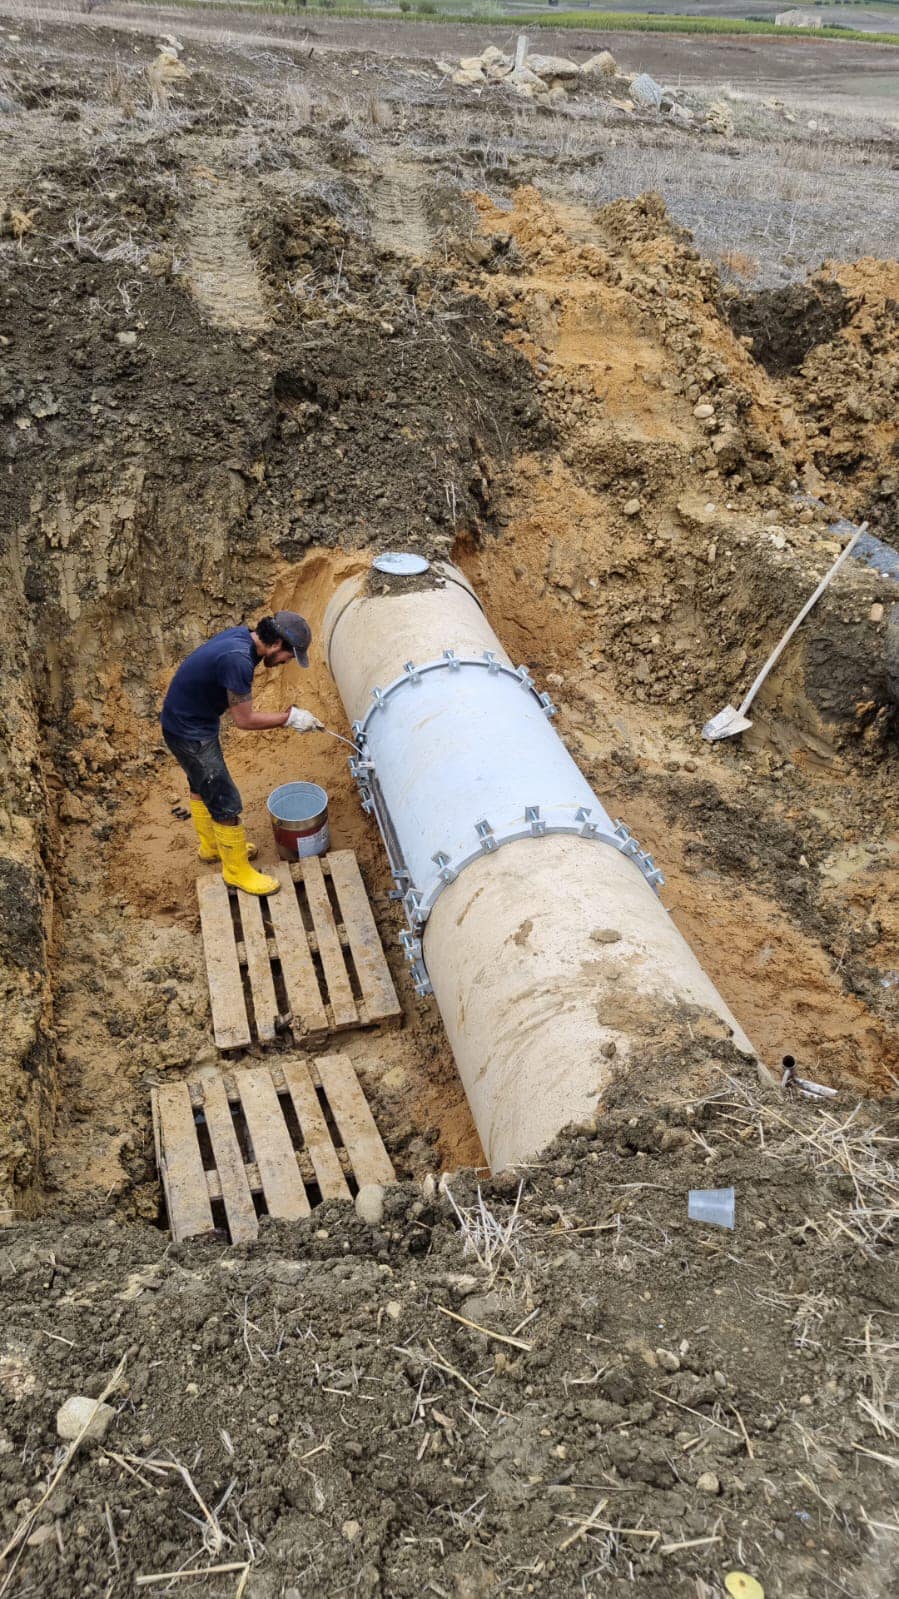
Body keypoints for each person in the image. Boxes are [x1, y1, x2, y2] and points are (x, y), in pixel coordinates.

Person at [161, 612, 321, 897]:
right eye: (289, 655)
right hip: (190, 732)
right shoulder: (239, 660)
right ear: (276, 645)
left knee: (201, 784)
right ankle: (236, 871)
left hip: (186, 721)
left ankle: (212, 847)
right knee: (226, 802)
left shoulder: (241, 639)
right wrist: (290, 718)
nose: (286, 662)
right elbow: (244, 720)